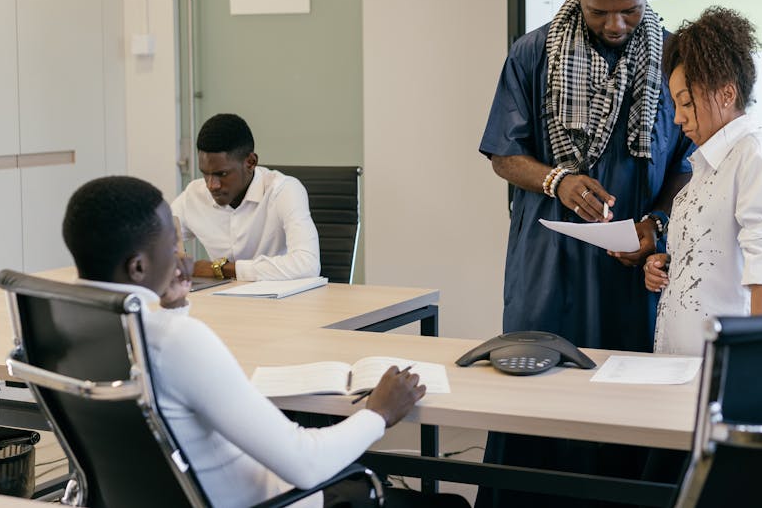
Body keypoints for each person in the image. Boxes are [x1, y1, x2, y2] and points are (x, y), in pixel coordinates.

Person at [62, 175, 469, 508]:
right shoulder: (176, 341)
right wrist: (379, 413)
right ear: (138, 267)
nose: (181, 256)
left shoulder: (67, 330)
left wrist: (174, 306)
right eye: (172, 245)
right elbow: (306, 464)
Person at [477, 0, 693, 508]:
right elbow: (503, 153)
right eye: (601, 12)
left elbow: (688, 165)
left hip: (634, 270)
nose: (616, 25)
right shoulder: (532, 52)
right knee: (536, 398)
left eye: (629, 10)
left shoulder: (675, 58)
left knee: (633, 409)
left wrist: (656, 226)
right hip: (549, 265)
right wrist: (557, 180)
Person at [644, 6, 762, 356]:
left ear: (727, 94)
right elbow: (712, 255)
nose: (678, 118)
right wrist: (669, 265)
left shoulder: (755, 157)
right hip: (681, 366)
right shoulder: (706, 165)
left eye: (685, 102)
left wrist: (755, 366)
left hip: (724, 368)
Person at [172, 113, 320, 282]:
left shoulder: (284, 190)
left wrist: (220, 269)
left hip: (282, 303)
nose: (211, 185)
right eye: (205, 174)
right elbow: (151, 240)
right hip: (220, 301)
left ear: (250, 162)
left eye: (222, 174)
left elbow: (308, 264)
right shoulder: (194, 195)